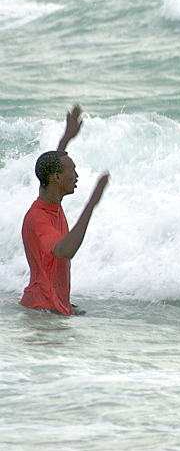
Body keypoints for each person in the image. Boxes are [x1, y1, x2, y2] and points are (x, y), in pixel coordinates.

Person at [20, 105, 110, 316]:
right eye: (73, 171)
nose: (77, 176)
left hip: (55, 305)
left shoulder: (50, 199)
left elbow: (52, 165)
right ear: (57, 178)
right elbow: (64, 251)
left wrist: (67, 136)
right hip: (43, 310)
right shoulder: (38, 218)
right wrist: (92, 204)